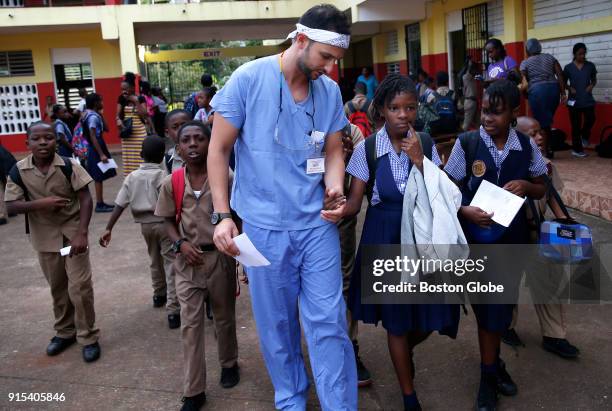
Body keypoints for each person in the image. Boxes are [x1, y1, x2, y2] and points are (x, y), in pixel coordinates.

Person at [208, 4, 357, 409]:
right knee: (277, 326)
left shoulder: (328, 92)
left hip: (316, 225)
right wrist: (223, 216)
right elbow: (218, 151)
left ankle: (338, 404)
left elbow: (332, 149)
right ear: (301, 40)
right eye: (325, 57)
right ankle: (291, 399)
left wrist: (334, 186)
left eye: (335, 61)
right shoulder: (248, 80)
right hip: (263, 229)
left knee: (328, 322)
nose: (329, 69)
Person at [345, 74, 460, 411]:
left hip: (422, 238)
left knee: (435, 311)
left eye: (409, 107)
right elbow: (354, 203)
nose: (403, 115)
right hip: (385, 238)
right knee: (396, 319)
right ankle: (409, 395)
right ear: (381, 109)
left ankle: (406, 348)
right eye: (394, 108)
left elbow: (438, 191)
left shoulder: (424, 142)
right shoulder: (367, 149)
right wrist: (333, 209)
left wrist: (420, 160)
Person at [444, 80, 548, 411]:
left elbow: (542, 186)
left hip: (513, 240)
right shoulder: (468, 143)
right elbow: (447, 189)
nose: (487, 118)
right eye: (485, 111)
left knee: (500, 309)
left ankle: (495, 364)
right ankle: (488, 379)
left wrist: (526, 186)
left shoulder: (526, 147)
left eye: (496, 112)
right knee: (488, 309)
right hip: (477, 242)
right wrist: (465, 209)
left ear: (514, 113)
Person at [155, 121, 239, 411]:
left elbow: (239, 217)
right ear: (177, 148)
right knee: (190, 325)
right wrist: (179, 244)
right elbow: (166, 219)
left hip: (220, 258)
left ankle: (229, 363)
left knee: (224, 316)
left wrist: (241, 257)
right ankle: (194, 391)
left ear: (210, 142)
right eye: (186, 140)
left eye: (200, 139)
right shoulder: (173, 182)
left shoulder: (226, 177)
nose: (193, 145)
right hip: (188, 262)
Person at [4, 121, 101, 363]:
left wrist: (82, 232)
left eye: (48, 137)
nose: (43, 142)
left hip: (73, 234)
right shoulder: (18, 170)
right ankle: (65, 332)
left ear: (55, 141)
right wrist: (41, 204)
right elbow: (11, 205)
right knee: (58, 288)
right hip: (45, 239)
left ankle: (88, 336)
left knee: (79, 287)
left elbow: (85, 199)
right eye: (36, 139)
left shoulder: (68, 165)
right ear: (27, 143)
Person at [501, 116, 580, 359]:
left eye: (540, 132)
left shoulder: (545, 165)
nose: (540, 137)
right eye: (532, 134)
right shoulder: (505, 165)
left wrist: (564, 222)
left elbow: (553, 195)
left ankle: (554, 336)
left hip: (539, 233)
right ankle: (506, 327)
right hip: (512, 235)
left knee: (548, 284)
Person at [99, 136, 180, 329]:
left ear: (140, 155)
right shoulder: (163, 177)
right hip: (164, 225)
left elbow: (119, 204)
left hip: (145, 227)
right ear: (162, 156)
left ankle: (158, 294)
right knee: (171, 263)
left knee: (154, 259)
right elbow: (173, 204)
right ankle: (173, 310)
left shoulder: (131, 177)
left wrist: (108, 228)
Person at [337, 123, 372, 387]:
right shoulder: (297, 125)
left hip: (341, 223)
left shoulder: (353, 132)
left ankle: (350, 349)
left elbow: (361, 182)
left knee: (345, 284)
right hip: (302, 222)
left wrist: (346, 160)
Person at [519, 38, 566, 159]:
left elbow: (523, 81)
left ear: (527, 50)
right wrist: (563, 93)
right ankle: (548, 149)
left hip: (537, 91)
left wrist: (525, 95)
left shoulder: (525, 62)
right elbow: (560, 74)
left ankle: (544, 152)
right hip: (553, 90)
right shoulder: (550, 57)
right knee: (546, 121)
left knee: (541, 123)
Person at [83, 93, 116, 213]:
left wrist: (101, 114)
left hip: (96, 146)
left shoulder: (92, 115)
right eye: (100, 101)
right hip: (96, 146)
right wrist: (101, 154)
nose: (102, 103)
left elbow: (106, 128)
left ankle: (100, 202)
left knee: (99, 176)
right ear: (95, 102)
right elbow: (93, 135)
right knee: (98, 176)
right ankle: (99, 204)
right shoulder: (92, 117)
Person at [563, 42, 597, 157]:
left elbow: (594, 79)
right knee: (575, 125)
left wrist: (591, 86)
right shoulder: (568, 68)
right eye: (579, 54)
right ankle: (577, 150)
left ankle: (585, 136)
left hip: (587, 99)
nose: (582, 56)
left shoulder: (590, 66)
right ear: (574, 54)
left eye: (584, 53)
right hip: (574, 101)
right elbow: (562, 82)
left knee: (591, 118)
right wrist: (569, 88)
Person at [116, 72, 149, 175]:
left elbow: (144, 114)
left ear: (132, 88)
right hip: (127, 133)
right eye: (122, 89)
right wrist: (118, 120)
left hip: (139, 133)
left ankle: (142, 176)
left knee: (140, 156)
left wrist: (136, 102)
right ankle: (130, 179)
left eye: (125, 89)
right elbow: (117, 115)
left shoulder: (140, 98)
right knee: (129, 159)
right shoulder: (121, 99)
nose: (123, 91)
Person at [163, 109, 191, 174]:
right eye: (175, 127)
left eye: (184, 125)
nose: (181, 130)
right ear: (167, 133)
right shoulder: (167, 161)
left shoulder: (205, 155)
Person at [460, 58, 479, 130]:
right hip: (470, 101)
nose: (476, 71)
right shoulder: (466, 77)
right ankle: (460, 139)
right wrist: (468, 62)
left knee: (478, 123)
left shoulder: (472, 78)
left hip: (473, 101)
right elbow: (468, 68)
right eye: (474, 69)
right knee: (466, 124)